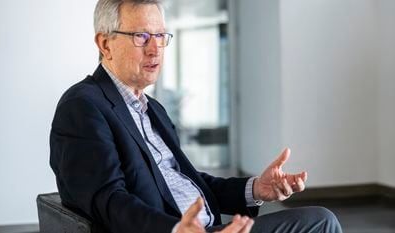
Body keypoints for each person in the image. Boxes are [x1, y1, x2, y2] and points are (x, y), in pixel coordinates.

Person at [49, 0, 342, 232]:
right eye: (141, 36)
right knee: (320, 222)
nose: (155, 49)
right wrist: (177, 230)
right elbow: (108, 201)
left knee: (318, 218)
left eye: (161, 36)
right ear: (105, 44)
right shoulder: (83, 106)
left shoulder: (153, 109)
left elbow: (189, 180)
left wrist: (256, 189)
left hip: (210, 227)